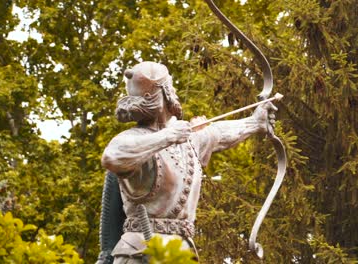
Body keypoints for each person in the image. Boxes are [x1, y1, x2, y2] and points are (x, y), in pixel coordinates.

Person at [97, 61, 276, 263]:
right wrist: (166, 136)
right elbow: (112, 157)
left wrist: (255, 122)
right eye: (170, 87)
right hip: (139, 254)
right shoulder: (135, 139)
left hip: (182, 253)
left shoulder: (187, 140)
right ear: (164, 94)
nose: (174, 92)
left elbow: (219, 133)